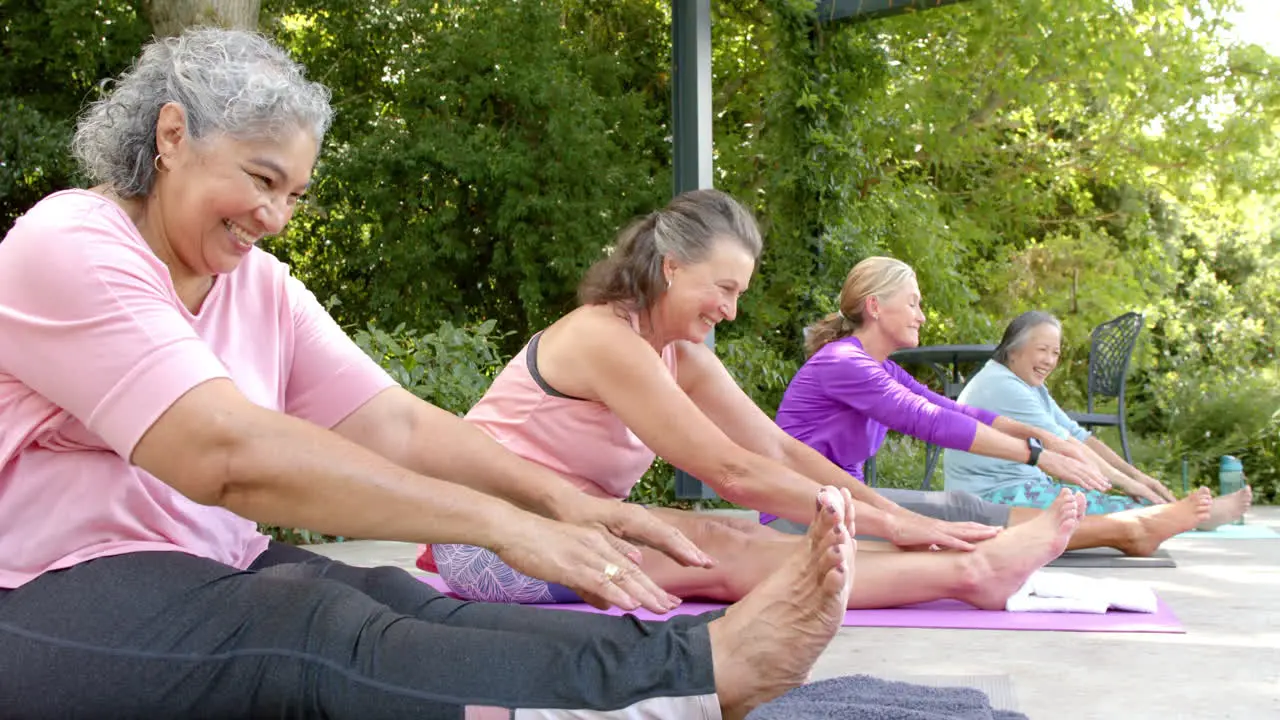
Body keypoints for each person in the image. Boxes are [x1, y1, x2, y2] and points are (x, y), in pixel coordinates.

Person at [0, 28, 860, 719]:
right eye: (261, 179)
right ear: (174, 135)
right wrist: (497, 523)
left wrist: (567, 503)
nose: (274, 217)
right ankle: (693, 673)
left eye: (295, 194)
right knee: (310, 625)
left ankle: (690, 676)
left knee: (390, 596)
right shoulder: (70, 244)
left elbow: (396, 423)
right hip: (37, 595)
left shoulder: (258, 286)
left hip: (197, 567)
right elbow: (224, 454)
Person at [422, 189, 1084, 612]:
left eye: (740, 294)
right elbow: (730, 471)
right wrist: (892, 525)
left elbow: (773, 448)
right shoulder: (604, 337)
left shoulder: (680, 354)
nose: (731, 311)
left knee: (732, 536)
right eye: (724, 288)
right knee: (721, 544)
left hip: (576, 526)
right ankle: (973, 575)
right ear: (670, 266)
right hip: (493, 542)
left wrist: (886, 511)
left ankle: (969, 565)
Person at [774, 256, 1228, 556]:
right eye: (913, 302)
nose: (922, 314)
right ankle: (1129, 530)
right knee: (956, 521)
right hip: (800, 518)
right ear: (875, 306)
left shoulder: (877, 366)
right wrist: (1036, 456)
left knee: (957, 508)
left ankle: (1131, 528)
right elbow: (926, 422)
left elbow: (950, 409)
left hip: (840, 506)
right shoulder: (843, 362)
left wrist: (1044, 437)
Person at [944, 310, 1252, 528]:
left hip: (1017, 489)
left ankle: (1180, 513)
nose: (1050, 361)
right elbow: (1065, 446)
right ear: (1013, 351)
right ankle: (1189, 517)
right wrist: (1132, 486)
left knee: (1119, 502)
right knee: (1118, 508)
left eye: (1056, 353)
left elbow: (1079, 436)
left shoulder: (1027, 384)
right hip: (991, 499)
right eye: (1043, 350)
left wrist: (1139, 477)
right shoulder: (1003, 385)